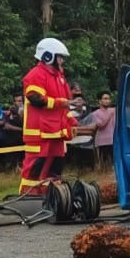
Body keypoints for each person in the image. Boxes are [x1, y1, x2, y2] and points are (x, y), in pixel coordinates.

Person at [19, 38, 79, 195]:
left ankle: (51, 197)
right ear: (47, 56)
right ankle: (28, 198)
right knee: (34, 170)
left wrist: (72, 122)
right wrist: (60, 103)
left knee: (54, 171)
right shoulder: (36, 74)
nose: (62, 61)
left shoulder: (60, 77)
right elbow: (36, 99)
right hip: (39, 134)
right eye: (59, 57)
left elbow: (64, 106)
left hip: (55, 133)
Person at [90, 91, 116, 168]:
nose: (107, 101)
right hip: (102, 142)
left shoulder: (114, 110)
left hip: (114, 140)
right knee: (104, 165)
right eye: (105, 98)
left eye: (109, 99)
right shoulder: (95, 113)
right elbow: (101, 124)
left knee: (114, 164)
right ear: (100, 101)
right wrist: (109, 114)